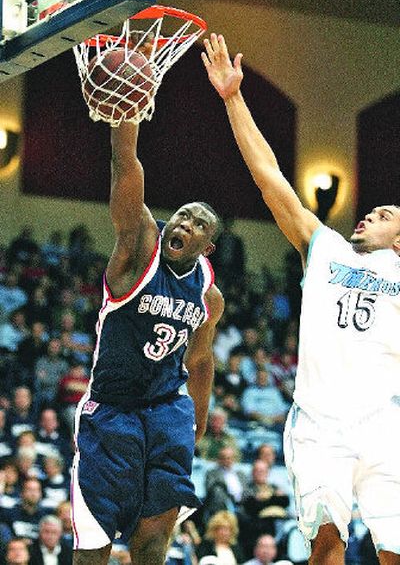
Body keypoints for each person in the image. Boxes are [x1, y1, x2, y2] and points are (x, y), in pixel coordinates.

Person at [202, 33, 400, 564]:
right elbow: (270, 177)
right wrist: (233, 98)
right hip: (320, 421)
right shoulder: (325, 248)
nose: (368, 215)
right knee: (327, 544)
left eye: (383, 216)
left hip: (385, 421)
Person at [70, 118, 224, 565]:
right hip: (111, 410)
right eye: (182, 215)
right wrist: (126, 111)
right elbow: (126, 166)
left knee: (154, 543)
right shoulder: (139, 249)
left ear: (206, 246)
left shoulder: (208, 295)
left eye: (197, 224)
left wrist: (197, 419)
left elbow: (200, 360)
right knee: (95, 545)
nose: (184, 223)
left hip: (165, 411)